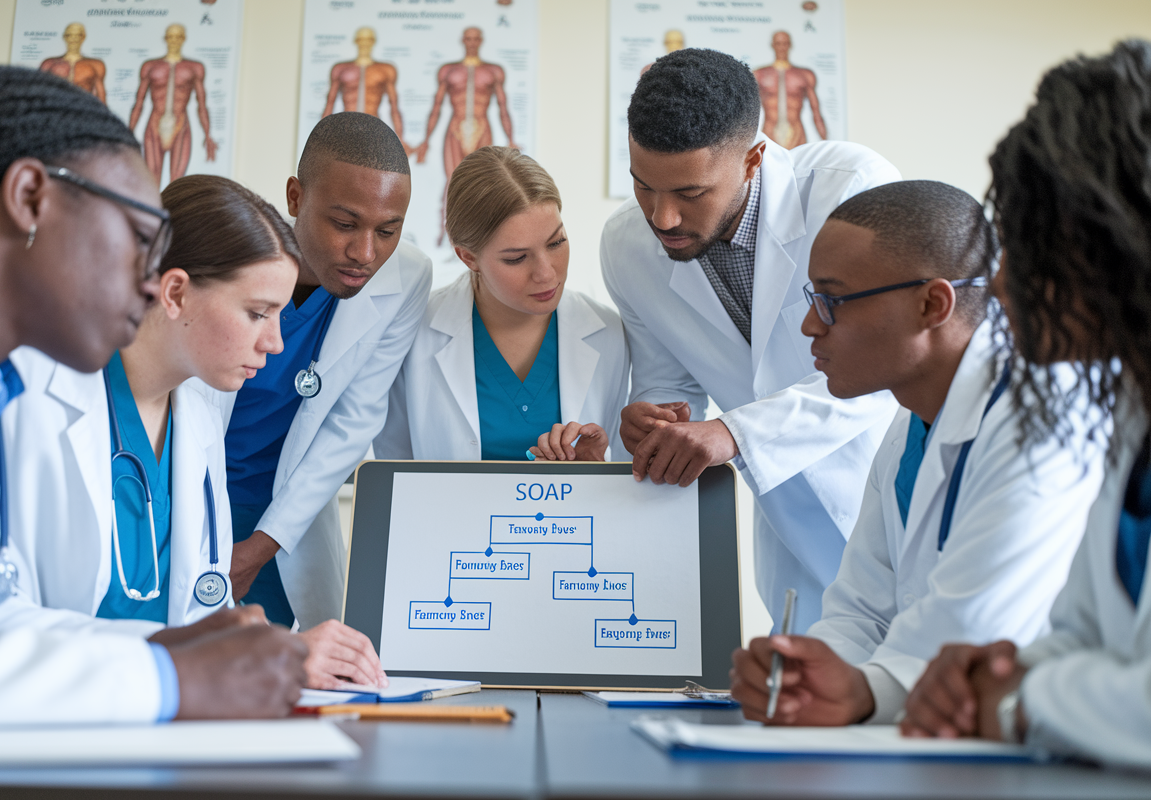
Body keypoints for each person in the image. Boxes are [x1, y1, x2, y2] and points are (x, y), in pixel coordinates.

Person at [0, 66, 307, 734]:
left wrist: (182, 652)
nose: (148, 283)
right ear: (30, 198)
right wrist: (164, 678)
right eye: (138, 242)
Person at [728, 181, 1104, 726]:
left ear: (932, 304)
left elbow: (976, 627)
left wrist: (858, 691)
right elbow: (859, 609)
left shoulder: (1038, 421)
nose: (811, 325)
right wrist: (808, 673)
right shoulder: (909, 427)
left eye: (831, 301)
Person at [0, 174, 386, 688]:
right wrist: (252, 652)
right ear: (175, 291)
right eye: (257, 313)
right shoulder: (27, 401)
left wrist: (253, 647)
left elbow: (195, 608)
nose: (274, 342)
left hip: (165, 723)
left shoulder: (198, 423)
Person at [900, 41, 1151, 769]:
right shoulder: (1131, 417)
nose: (1003, 286)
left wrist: (1018, 701)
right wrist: (994, 672)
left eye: (1027, 249)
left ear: (1116, 243)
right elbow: (1082, 633)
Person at [601, 47, 900, 631]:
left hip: (890, 492)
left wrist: (734, 432)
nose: (661, 218)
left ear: (754, 159)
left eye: (690, 194)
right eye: (643, 188)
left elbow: (890, 366)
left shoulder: (848, 191)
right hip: (790, 527)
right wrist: (654, 419)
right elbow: (673, 380)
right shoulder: (625, 245)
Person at [220, 111, 431, 630]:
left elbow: (354, 421)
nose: (365, 253)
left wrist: (259, 547)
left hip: (281, 524)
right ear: (295, 198)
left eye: (388, 230)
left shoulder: (407, 277)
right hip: (184, 495)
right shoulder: (224, 257)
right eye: (344, 224)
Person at [375, 146, 629, 463]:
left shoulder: (608, 333)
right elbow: (394, 475)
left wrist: (592, 471)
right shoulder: (412, 334)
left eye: (557, 242)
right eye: (516, 258)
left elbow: (625, 483)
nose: (547, 273)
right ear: (468, 257)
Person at [416, 27, 518, 245]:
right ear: (463, 41)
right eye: (468, 38)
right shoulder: (448, 71)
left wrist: (511, 139)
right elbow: (437, 106)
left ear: (481, 41)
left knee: (483, 183)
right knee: (452, 181)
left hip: (482, 127)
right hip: (455, 128)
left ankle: (483, 236)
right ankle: (446, 234)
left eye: (475, 39)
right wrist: (425, 141)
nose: (472, 42)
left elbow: (503, 106)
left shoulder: (494, 71)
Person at [128, 24, 216, 184]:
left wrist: (208, 135)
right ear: (165, 39)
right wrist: (128, 133)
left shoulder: (195, 68)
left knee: (177, 183)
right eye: (171, 36)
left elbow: (201, 104)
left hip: (180, 125)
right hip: (155, 124)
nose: (174, 41)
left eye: (178, 37)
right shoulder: (150, 67)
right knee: (152, 180)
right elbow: (138, 102)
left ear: (183, 39)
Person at [322, 27, 408, 152]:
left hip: (373, 129)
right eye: (361, 39)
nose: (365, 44)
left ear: (373, 42)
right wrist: (320, 137)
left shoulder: (386, 70)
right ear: (356, 41)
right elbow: (330, 104)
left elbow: (394, 107)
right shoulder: (340, 69)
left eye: (368, 40)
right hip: (346, 128)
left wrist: (400, 139)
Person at [752, 31, 827, 148]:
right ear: (773, 45)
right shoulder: (759, 75)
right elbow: (748, 113)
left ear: (790, 45)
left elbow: (816, 113)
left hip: (797, 135)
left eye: (785, 43)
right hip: (769, 135)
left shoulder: (805, 75)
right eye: (778, 43)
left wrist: (826, 143)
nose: (782, 47)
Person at [39, 22, 107, 103]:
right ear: (65, 37)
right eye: (69, 35)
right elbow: (39, 92)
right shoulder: (49, 64)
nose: (74, 39)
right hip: (56, 109)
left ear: (83, 37)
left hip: (83, 109)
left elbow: (101, 96)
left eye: (77, 35)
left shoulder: (95, 65)